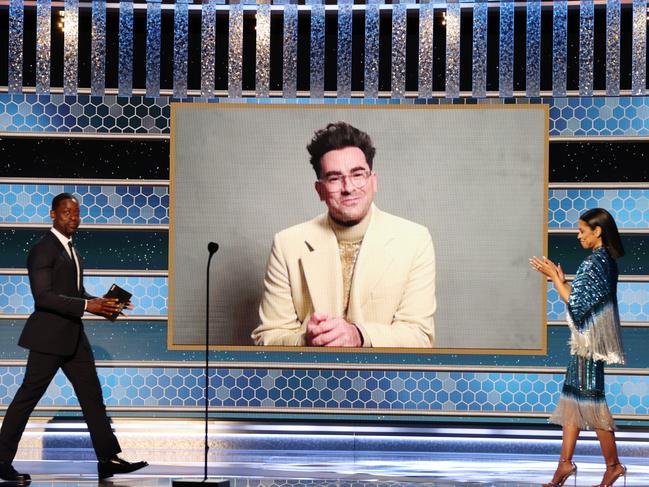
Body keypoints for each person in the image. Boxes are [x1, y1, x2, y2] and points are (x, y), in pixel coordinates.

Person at [0, 193, 148, 482]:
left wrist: (103, 304)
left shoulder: (72, 251)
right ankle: (1, 459)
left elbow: (75, 293)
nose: (73, 218)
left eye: (77, 214)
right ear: (53, 215)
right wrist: (86, 306)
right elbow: (43, 297)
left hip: (73, 337)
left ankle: (108, 459)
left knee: (92, 397)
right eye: (67, 213)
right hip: (48, 338)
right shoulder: (43, 250)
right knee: (27, 398)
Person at [251, 122, 436, 348]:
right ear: (320, 190)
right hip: (309, 379)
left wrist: (359, 335)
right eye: (334, 178)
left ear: (373, 181)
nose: (348, 187)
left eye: (358, 174)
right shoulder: (286, 244)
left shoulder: (415, 240)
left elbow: (419, 336)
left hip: (383, 380)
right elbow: (267, 336)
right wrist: (305, 340)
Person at [530, 208, 626, 487]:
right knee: (573, 399)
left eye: (583, 230)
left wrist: (553, 279)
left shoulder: (596, 262)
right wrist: (562, 281)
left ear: (598, 232)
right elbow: (584, 299)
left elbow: (575, 304)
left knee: (591, 401)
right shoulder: (604, 260)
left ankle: (614, 466)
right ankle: (565, 464)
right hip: (587, 343)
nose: (578, 235)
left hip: (588, 345)